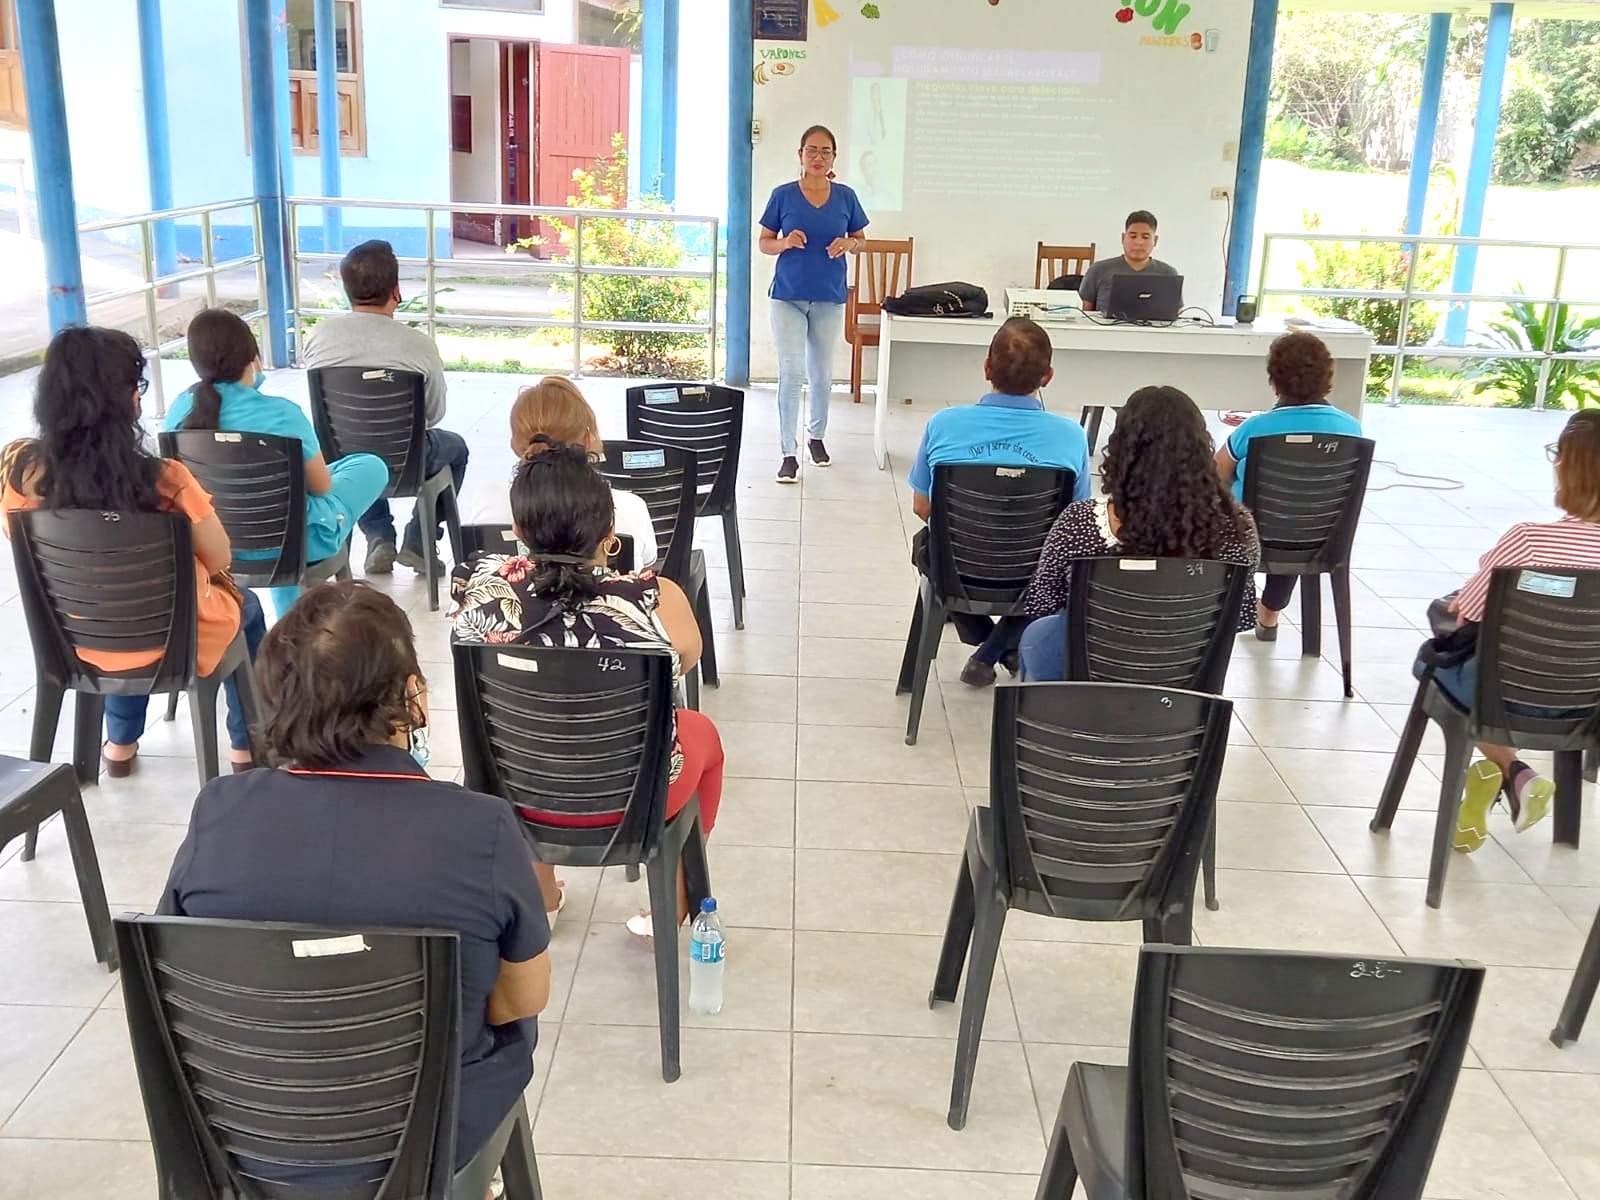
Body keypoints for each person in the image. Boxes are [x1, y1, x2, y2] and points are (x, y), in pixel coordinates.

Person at [157, 581, 549, 1191]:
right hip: (426, 1135)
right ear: (412, 697)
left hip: (247, 1133)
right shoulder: (481, 828)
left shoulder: (219, 811)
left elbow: (179, 975)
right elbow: (521, 999)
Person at [450, 437, 724, 937]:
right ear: (610, 532)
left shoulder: (478, 586)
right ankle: (675, 905)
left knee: (532, 733)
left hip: (514, 795)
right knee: (702, 732)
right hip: (634, 800)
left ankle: (543, 897)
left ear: (517, 530)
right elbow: (687, 657)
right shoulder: (652, 597)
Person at [2, 327, 265, 775]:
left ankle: (120, 744)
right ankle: (246, 747)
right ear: (125, 399)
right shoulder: (165, 479)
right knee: (248, 608)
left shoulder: (18, 472)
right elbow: (221, 558)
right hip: (171, 639)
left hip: (75, 637)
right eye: (136, 384)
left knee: (115, 605)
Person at [1435, 411, 1600, 852]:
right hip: (1590, 703)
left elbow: (1469, 612)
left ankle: (1515, 773)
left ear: (1567, 466)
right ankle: (1515, 779)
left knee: (1438, 663)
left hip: (1508, 694)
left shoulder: (1528, 540)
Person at [1017, 385, 1260, 681]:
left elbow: (1042, 601)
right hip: (1185, 673)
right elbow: (1241, 616)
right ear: (1201, 450)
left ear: (1120, 451)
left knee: (1037, 634)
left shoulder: (1080, 522)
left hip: (1089, 672)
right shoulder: (1238, 527)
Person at [163, 308, 390, 618]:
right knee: (369, 466)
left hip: (214, 543)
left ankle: (292, 609)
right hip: (293, 542)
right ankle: (300, 603)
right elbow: (321, 486)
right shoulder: (282, 413)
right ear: (252, 357)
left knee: (284, 506)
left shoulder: (179, 411)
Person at [907, 316, 1092, 687]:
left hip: (958, 571)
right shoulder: (1071, 436)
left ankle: (988, 644)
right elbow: (1074, 520)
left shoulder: (944, 424)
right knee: (1065, 567)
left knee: (926, 547)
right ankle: (1000, 646)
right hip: (1034, 576)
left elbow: (922, 508)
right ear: (1048, 377)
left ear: (986, 368)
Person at [301, 239, 470, 578]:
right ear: (396, 290)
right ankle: (419, 539)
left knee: (354, 448)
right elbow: (434, 413)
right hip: (409, 463)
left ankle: (379, 536)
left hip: (343, 457)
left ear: (346, 289)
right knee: (456, 448)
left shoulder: (319, 337)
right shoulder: (418, 345)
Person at [1215, 330, 1363, 640]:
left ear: (1273, 381)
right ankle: (1270, 611)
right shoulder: (1351, 429)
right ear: (1327, 377)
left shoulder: (1255, 428)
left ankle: (1226, 608)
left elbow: (1215, 474)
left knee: (1248, 512)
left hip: (1254, 536)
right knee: (1298, 513)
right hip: (1321, 538)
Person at [758, 124, 870, 483]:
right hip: (788, 296)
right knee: (792, 373)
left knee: (821, 374)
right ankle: (787, 453)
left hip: (829, 296)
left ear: (834, 157)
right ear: (800, 154)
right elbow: (764, 242)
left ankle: (816, 437)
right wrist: (785, 242)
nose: (818, 157)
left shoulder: (846, 197)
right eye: (812, 150)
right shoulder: (783, 195)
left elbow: (861, 240)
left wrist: (849, 244)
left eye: (825, 151)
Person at [462, 375, 658, 567]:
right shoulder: (631, 508)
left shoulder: (486, 500)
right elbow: (646, 574)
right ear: (588, 441)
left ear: (515, 444)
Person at [1079, 210, 1180, 313]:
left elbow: (1176, 313)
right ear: (1123, 238)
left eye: (1145, 237)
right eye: (1133, 236)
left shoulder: (1169, 274)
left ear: (1155, 240)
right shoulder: (1098, 270)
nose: (1139, 242)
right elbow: (1083, 313)